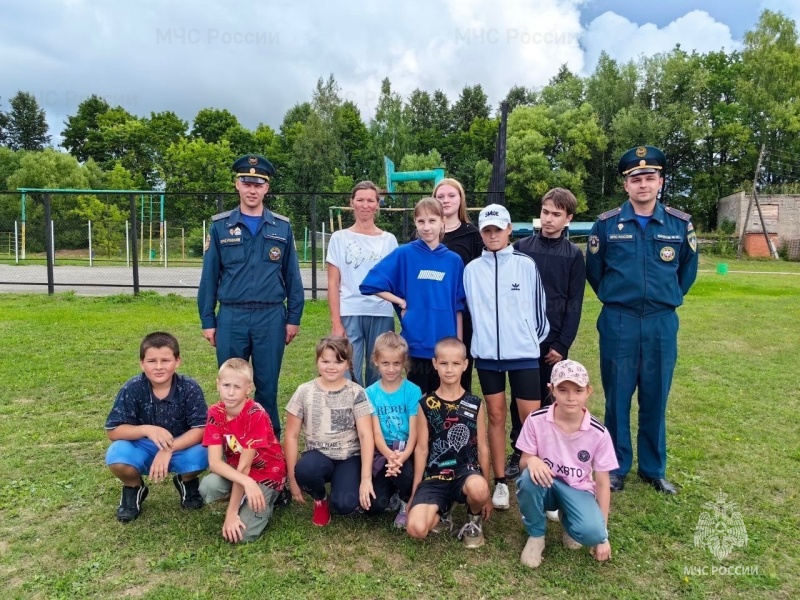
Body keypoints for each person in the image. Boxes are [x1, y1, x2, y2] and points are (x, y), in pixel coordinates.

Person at [586, 145, 698, 495]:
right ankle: (616, 467)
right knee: (617, 397)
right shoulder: (606, 225)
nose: (643, 184)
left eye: (650, 177)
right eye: (636, 179)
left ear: (661, 181)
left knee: (655, 395)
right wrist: (619, 297)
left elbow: (686, 272)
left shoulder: (679, 224)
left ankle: (653, 468)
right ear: (626, 185)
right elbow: (595, 272)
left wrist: (665, 300)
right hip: (619, 319)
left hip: (661, 323)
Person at [198, 153, 304, 440]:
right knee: (232, 387)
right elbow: (209, 278)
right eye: (247, 183)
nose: (252, 189)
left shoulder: (281, 227)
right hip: (232, 315)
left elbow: (292, 277)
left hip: (271, 316)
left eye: (259, 184)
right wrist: (208, 320)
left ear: (266, 188)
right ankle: (231, 448)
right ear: (237, 185)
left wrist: (293, 318)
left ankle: (270, 452)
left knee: (267, 386)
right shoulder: (220, 226)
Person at [463, 204, 549, 512]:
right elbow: (470, 314)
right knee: (496, 417)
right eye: (487, 230)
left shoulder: (526, 265)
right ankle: (500, 480)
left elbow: (540, 314)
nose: (493, 235)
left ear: (509, 229)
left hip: (524, 355)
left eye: (498, 229)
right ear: (482, 234)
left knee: (532, 420)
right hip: (488, 358)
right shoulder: (471, 270)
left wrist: (526, 341)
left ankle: (539, 483)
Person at [506, 188, 586, 479]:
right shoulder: (522, 247)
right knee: (522, 396)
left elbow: (574, 303)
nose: (549, 219)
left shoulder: (574, 256)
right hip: (523, 340)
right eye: (545, 212)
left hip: (553, 344)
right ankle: (519, 450)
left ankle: (550, 451)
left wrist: (562, 343)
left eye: (556, 214)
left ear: (568, 219)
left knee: (550, 397)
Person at [515, 360, 618, 568]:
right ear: (551, 389)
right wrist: (532, 459)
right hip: (546, 484)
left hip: (577, 489)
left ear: (588, 391)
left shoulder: (599, 433)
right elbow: (523, 461)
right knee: (527, 477)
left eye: (578, 390)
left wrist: (603, 536)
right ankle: (536, 536)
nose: (571, 398)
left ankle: (568, 517)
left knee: (592, 533)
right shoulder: (536, 420)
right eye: (563, 390)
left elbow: (602, 482)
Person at [360, 197, 466, 395]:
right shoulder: (405, 254)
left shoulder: (454, 261)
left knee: (444, 399)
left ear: (442, 221)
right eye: (421, 221)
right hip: (416, 343)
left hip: (445, 345)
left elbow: (458, 305)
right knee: (417, 401)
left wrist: (458, 343)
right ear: (415, 223)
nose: (427, 227)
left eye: (432, 221)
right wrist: (399, 301)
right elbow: (369, 284)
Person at [104, 332, 208, 523]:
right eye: (152, 361)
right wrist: (147, 430)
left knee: (206, 452)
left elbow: (201, 428)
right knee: (116, 454)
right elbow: (113, 430)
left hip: (180, 446)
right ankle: (133, 488)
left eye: (165, 360)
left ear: (177, 361)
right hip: (143, 447)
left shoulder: (190, 388)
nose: (159, 367)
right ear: (142, 363)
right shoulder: (132, 388)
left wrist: (170, 448)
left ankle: (187, 481)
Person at [284, 336, 382, 526]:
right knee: (305, 471)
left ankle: (341, 489)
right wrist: (292, 479)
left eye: (338, 361)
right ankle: (320, 499)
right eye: (325, 361)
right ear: (317, 361)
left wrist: (366, 478)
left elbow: (365, 435)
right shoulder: (304, 391)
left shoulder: (357, 392)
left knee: (345, 505)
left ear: (347, 364)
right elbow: (291, 435)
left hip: (349, 456)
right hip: (318, 454)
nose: (331, 366)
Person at [406, 337, 491, 548]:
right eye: (443, 363)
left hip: (465, 473)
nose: (449, 370)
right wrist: (416, 488)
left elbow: (482, 447)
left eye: (455, 363)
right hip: (436, 475)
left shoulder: (475, 404)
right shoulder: (426, 404)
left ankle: (473, 520)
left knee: (478, 490)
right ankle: (443, 512)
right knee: (416, 529)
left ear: (465, 365)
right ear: (435, 364)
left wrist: (487, 492)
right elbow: (422, 448)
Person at [199, 358, 287, 544]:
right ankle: (244, 497)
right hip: (240, 473)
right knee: (208, 487)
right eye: (226, 385)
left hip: (266, 473)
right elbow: (215, 463)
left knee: (242, 537)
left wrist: (230, 514)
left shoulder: (256, 415)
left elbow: (245, 467)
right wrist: (246, 482)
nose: (230, 393)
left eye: (237, 387)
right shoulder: (215, 412)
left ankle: (274, 497)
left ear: (249, 388)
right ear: (218, 384)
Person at [327, 181, 398, 387]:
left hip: (381, 312)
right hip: (350, 311)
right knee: (349, 371)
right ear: (352, 203)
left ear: (377, 204)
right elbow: (333, 283)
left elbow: (394, 281)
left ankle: (375, 417)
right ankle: (353, 418)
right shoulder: (339, 238)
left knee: (380, 370)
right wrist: (336, 323)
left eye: (370, 200)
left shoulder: (389, 240)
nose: (365, 205)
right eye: (360, 200)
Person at [365, 331, 421, 529]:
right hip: (383, 450)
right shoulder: (370, 393)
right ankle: (391, 492)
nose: (391, 369)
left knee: (405, 474)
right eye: (385, 363)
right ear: (376, 361)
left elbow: (415, 432)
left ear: (404, 362)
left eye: (396, 364)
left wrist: (402, 456)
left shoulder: (413, 391)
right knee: (373, 506)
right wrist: (389, 455)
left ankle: (405, 501)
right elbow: (376, 433)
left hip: (406, 450)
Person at [433, 178, 484, 392]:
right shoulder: (424, 233)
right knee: (430, 370)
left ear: (461, 199)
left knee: (458, 370)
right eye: (440, 196)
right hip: (431, 315)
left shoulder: (473, 235)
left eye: (451, 195)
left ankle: (461, 420)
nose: (446, 200)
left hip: (463, 315)